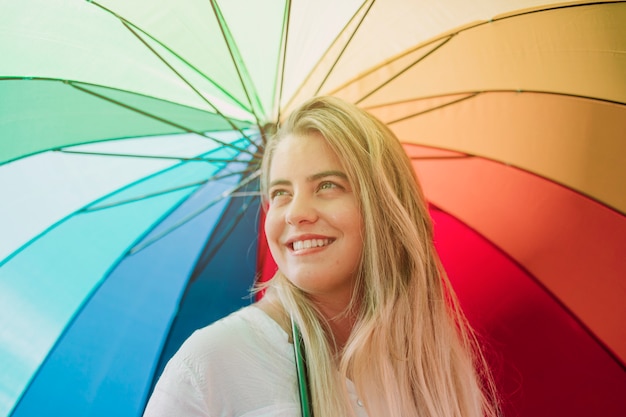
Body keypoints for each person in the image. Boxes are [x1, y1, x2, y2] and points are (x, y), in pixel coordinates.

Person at [143, 96, 500, 417]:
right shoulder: (213, 362)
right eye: (281, 193)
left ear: (386, 208)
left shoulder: (434, 370)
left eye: (327, 185)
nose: (296, 213)